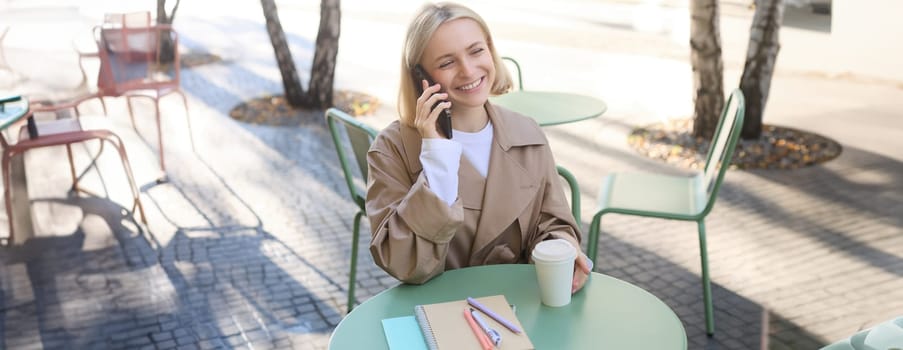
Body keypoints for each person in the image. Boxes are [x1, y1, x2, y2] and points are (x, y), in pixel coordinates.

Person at [366, 2, 591, 293]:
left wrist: (563, 251)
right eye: (447, 62)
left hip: (521, 300)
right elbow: (402, 262)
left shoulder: (528, 133)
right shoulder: (392, 149)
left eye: (476, 51)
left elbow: (552, 222)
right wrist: (437, 156)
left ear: (490, 50)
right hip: (440, 311)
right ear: (421, 78)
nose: (469, 70)